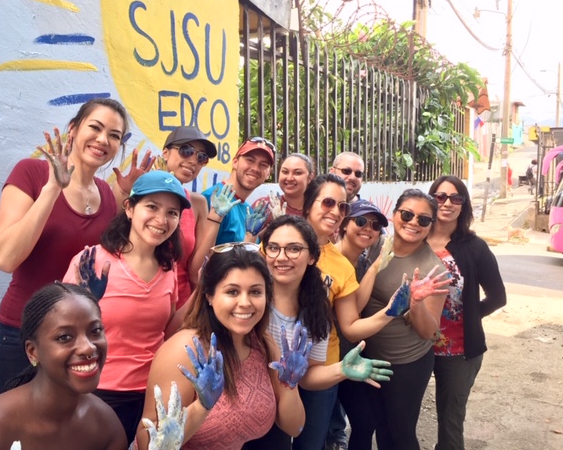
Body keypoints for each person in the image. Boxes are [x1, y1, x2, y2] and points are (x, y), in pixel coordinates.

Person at [0, 98, 152, 395]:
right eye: (96, 127)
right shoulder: (31, 173)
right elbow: (5, 257)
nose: (103, 139)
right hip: (24, 335)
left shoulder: (105, 193)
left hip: (78, 340)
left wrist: (128, 196)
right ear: (74, 130)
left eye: (114, 136)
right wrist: (53, 188)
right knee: (20, 435)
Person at [63, 170, 191, 443]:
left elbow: (166, 331)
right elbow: (60, 329)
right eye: (152, 207)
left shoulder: (169, 268)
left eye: (172, 212)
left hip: (150, 394)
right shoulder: (92, 260)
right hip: (97, 392)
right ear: (130, 208)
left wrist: (204, 290)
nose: (161, 220)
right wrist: (86, 305)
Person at [136, 243, 306, 450]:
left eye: (255, 292)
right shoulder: (185, 350)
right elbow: (147, 444)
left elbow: (294, 428)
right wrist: (200, 408)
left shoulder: (264, 345)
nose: (245, 302)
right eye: (233, 292)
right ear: (209, 295)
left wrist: (290, 386)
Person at [244, 215, 393, 449]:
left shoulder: (317, 308)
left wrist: (340, 370)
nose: (282, 257)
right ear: (264, 253)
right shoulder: (246, 298)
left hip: (281, 404)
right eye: (273, 248)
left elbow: (308, 377)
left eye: (294, 249)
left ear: (312, 257)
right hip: (243, 403)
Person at [0, 282, 127, 450]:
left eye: (95, 331)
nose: (88, 347)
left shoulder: (106, 426)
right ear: (32, 351)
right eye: (64, 337)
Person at [291, 175, 382, 449]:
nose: (335, 212)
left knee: (311, 443)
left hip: (322, 367)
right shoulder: (279, 245)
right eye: (328, 202)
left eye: (342, 207)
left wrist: (391, 311)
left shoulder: (341, 265)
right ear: (308, 205)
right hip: (274, 362)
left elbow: (350, 325)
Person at [362, 189, 451, 450]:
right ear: (394, 214)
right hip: (369, 357)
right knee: (380, 428)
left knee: (400, 433)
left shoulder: (433, 270)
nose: (413, 222)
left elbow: (428, 331)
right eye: (408, 214)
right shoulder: (377, 243)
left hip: (406, 363)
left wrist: (417, 303)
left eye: (423, 220)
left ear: (431, 226)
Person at [427, 176, 507, 450]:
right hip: (414, 346)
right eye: (440, 196)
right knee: (402, 416)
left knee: (450, 424)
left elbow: (498, 297)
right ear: (431, 200)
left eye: (455, 198)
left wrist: (470, 317)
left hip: (459, 351)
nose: (447, 203)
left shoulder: (474, 247)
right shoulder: (415, 239)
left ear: (464, 205)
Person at [331, 200, 390, 450]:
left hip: (350, 355)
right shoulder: (331, 259)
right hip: (325, 358)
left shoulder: (362, 260)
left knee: (365, 422)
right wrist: (378, 265)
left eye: (375, 225)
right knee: (319, 431)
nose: (368, 228)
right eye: (361, 221)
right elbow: (352, 314)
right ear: (344, 224)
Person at [159, 125, 220, 307]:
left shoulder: (198, 203)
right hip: (146, 298)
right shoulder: (142, 194)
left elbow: (196, 272)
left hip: (182, 303)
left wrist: (216, 218)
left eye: (201, 157)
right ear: (166, 153)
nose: (193, 161)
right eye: (186, 151)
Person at [202, 137, 275, 245]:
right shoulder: (212, 199)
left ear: (268, 174)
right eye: (250, 160)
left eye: (263, 165)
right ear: (235, 162)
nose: (255, 168)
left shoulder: (248, 210)